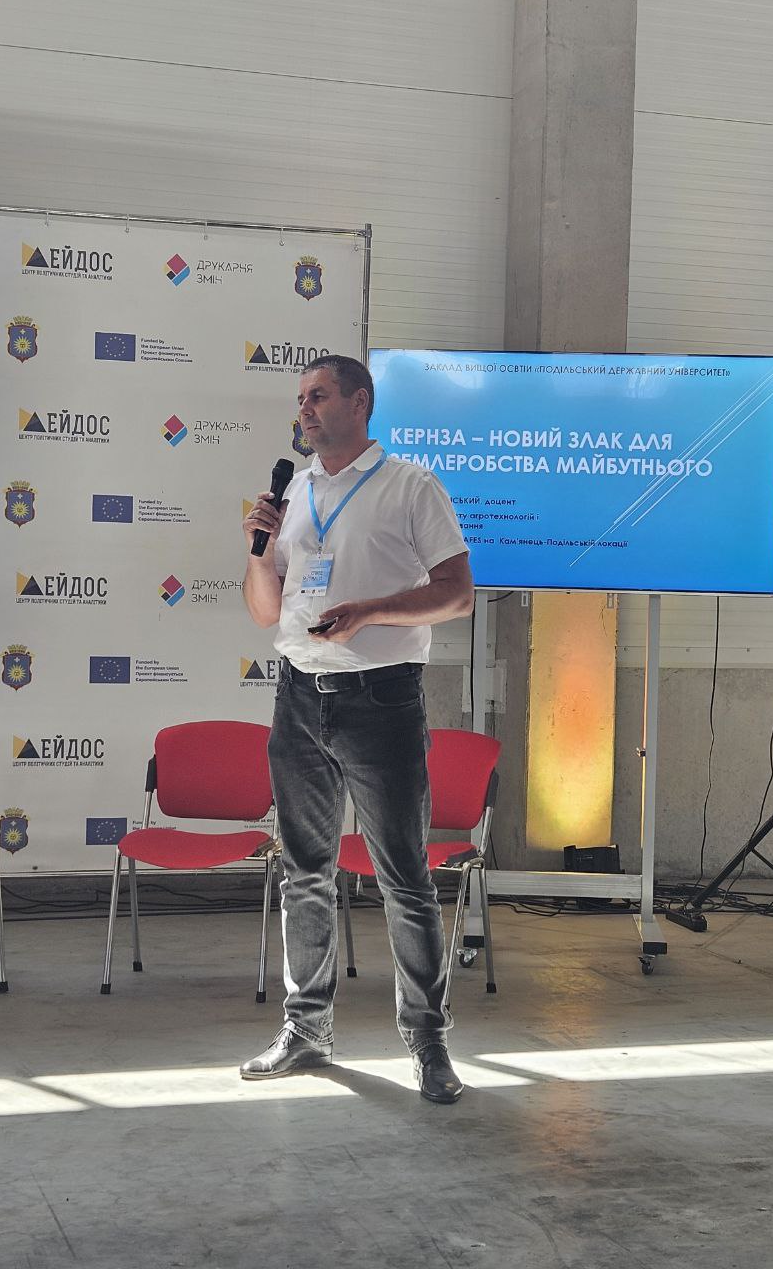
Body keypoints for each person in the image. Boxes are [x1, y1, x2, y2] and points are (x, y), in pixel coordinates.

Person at [239, 354, 475, 1104]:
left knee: (403, 876)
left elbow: (458, 594)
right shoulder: (296, 491)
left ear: (360, 402)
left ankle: (429, 1043)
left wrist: (371, 611)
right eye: (300, 398)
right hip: (297, 696)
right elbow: (265, 610)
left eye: (318, 395)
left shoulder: (410, 485)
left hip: (380, 699)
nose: (304, 409)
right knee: (304, 871)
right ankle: (305, 1029)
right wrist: (257, 549)